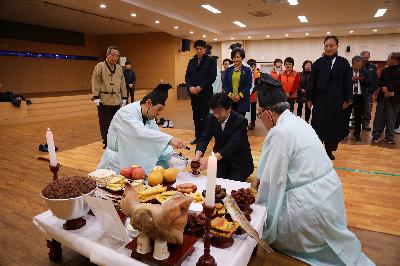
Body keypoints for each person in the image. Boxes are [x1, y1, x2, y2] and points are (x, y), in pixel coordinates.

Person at [252, 74, 375, 266]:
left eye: (259, 115)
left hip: (309, 207)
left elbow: (274, 183)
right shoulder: (297, 121)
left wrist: (261, 219)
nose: (261, 121)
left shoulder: (280, 131)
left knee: (274, 235)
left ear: (268, 113)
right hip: (329, 196)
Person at [97, 83, 185, 174]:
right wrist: (170, 139)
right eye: (158, 109)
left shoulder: (147, 115)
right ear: (149, 103)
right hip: (116, 161)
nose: (159, 113)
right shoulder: (126, 113)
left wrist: (172, 155)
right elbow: (140, 132)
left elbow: (156, 138)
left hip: (131, 154)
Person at [305, 36, 353, 160]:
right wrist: (309, 99)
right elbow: (311, 82)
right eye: (326, 46)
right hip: (320, 101)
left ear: (337, 46)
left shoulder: (343, 62)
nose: (328, 48)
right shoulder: (318, 63)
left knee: (334, 126)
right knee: (318, 125)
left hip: (337, 101)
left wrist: (347, 99)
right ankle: (317, 149)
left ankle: (329, 150)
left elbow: (348, 82)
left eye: (331, 46)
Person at [193, 92, 254, 182]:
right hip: (221, 161)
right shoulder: (211, 118)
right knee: (216, 181)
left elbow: (233, 145)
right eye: (214, 112)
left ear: (229, 108)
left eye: (220, 111)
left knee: (232, 184)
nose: (217, 115)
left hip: (239, 161)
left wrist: (212, 160)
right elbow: (204, 138)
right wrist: (198, 154)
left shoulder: (241, 121)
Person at [92, 46, 127, 149]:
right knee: (105, 123)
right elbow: (95, 81)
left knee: (117, 122)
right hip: (104, 100)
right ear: (107, 55)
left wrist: (124, 97)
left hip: (117, 100)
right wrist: (96, 96)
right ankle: (107, 142)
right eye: (112, 55)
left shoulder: (119, 68)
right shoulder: (100, 66)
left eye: (117, 55)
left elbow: (123, 83)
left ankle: (116, 140)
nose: (114, 57)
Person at [185, 40, 217, 145]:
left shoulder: (211, 61)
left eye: (201, 49)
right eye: (197, 49)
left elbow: (212, 77)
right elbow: (187, 76)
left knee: (205, 115)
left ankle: (205, 137)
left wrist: (200, 87)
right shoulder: (191, 61)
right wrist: (190, 87)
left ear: (205, 49)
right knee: (196, 116)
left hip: (205, 94)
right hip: (194, 94)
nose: (199, 51)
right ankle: (197, 136)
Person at [372, 52, 400, 144]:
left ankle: (389, 137)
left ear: (394, 60)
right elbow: (380, 81)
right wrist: (384, 88)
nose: (387, 60)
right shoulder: (385, 70)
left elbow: (398, 83)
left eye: (388, 58)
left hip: (394, 98)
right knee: (378, 117)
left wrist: (389, 88)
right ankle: (376, 136)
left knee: (391, 118)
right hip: (382, 97)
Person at [343, 56, 370, 141]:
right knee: (346, 116)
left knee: (359, 117)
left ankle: (357, 134)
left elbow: (369, 83)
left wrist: (362, 80)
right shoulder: (347, 71)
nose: (358, 67)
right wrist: (351, 80)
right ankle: (344, 133)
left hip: (360, 97)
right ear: (352, 64)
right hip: (349, 97)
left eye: (360, 65)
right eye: (356, 65)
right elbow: (342, 84)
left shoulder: (365, 72)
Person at [222, 47, 252, 117]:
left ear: (242, 58)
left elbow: (249, 85)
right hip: (230, 99)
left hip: (242, 99)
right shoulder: (228, 70)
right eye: (234, 57)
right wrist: (230, 95)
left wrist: (240, 95)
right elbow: (224, 84)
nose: (236, 59)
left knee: (240, 119)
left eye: (238, 57)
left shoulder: (247, 70)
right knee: (230, 119)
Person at [360, 51, 378, 131]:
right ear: (361, 57)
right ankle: (354, 123)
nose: (365, 58)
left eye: (367, 57)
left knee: (368, 109)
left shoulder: (373, 66)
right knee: (357, 108)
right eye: (364, 57)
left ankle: (366, 124)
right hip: (359, 91)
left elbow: (375, 79)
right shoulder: (357, 65)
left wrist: (374, 89)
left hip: (369, 92)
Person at [247, 59, 260, 129]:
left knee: (253, 110)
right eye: (251, 66)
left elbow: (258, 84)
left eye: (254, 66)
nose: (252, 68)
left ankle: (252, 123)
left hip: (253, 95)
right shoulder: (246, 72)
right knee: (247, 111)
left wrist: (252, 90)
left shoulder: (257, 73)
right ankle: (247, 123)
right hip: (245, 95)